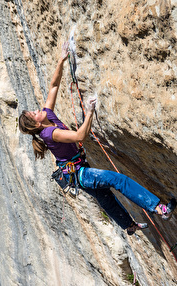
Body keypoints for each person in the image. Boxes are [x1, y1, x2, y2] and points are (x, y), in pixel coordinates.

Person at [18, 42, 176, 235]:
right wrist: (90, 112)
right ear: (36, 124)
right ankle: (159, 209)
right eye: (33, 113)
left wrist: (61, 59)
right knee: (117, 180)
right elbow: (80, 135)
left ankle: (129, 225)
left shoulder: (47, 115)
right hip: (80, 174)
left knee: (105, 197)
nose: (37, 110)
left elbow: (53, 86)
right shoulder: (49, 133)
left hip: (76, 172)